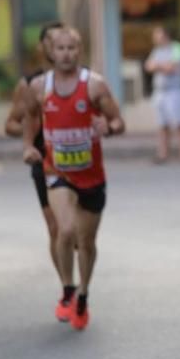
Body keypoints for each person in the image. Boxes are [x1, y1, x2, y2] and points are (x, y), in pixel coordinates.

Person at [21, 26, 125, 331]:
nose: (65, 53)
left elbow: (118, 121)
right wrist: (29, 146)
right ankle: (67, 288)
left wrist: (108, 126)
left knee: (86, 242)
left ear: (79, 51)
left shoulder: (94, 86)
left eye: (71, 48)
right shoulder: (40, 87)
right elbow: (29, 116)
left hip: (91, 175)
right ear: (51, 52)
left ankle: (83, 295)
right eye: (60, 48)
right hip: (57, 172)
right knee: (64, 230)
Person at [5, 20, 65, 291]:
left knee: (76, 232)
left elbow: (102, 118)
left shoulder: (88, 81)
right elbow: (11, 124)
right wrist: (32, 131)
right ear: (44, 47)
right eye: (52, 42)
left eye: (63, 42)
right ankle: (68, 288)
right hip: (44, 161)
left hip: (78, 162)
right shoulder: (30, 84)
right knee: (56, 228)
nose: (59, 48)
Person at [143, 25, 180, 163]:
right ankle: (163, 154)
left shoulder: (177, 48)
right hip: (160, 92)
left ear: (164, 35)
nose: (154, 38)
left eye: (157, 34)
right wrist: (162, 65)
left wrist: (158, 65)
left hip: (174, 91)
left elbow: (172, 67)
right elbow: (148, 66)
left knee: (179, 124)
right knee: (162, 125)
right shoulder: (157, 50)